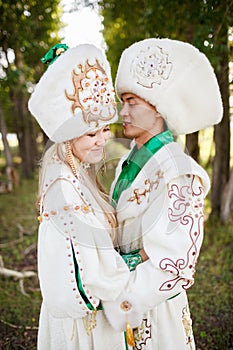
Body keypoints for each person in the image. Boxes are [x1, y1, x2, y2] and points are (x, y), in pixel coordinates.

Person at [101, 38, 223, 349]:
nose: (122, 111)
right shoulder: (129, 160)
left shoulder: (180, 172)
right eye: (122, 101)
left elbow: (176, 263)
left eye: (132, 102)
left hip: (152, 315)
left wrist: (117, 296)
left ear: (159, 109)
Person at [28, 43, 144, 350]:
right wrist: (137, 265)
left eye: (105, 130)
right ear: (67, 139)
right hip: (85, 324)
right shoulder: (63, 187)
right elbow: (91, 270)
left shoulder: (74, 171)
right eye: (92, 134)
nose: (103, 140)